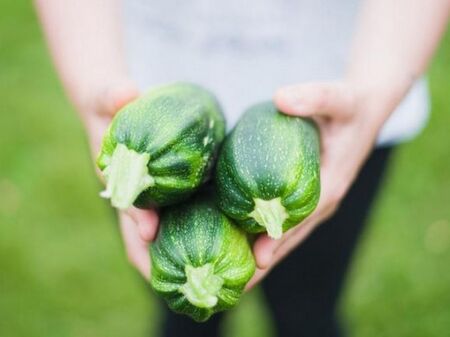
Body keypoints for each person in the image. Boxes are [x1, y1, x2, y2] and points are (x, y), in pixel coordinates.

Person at [34, 0, 450, 336]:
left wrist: (374, 95)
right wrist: (93, 81)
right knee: (184, 316)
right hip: (150, 101)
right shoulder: (136, 144)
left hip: (344, 100)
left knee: (308, 309)